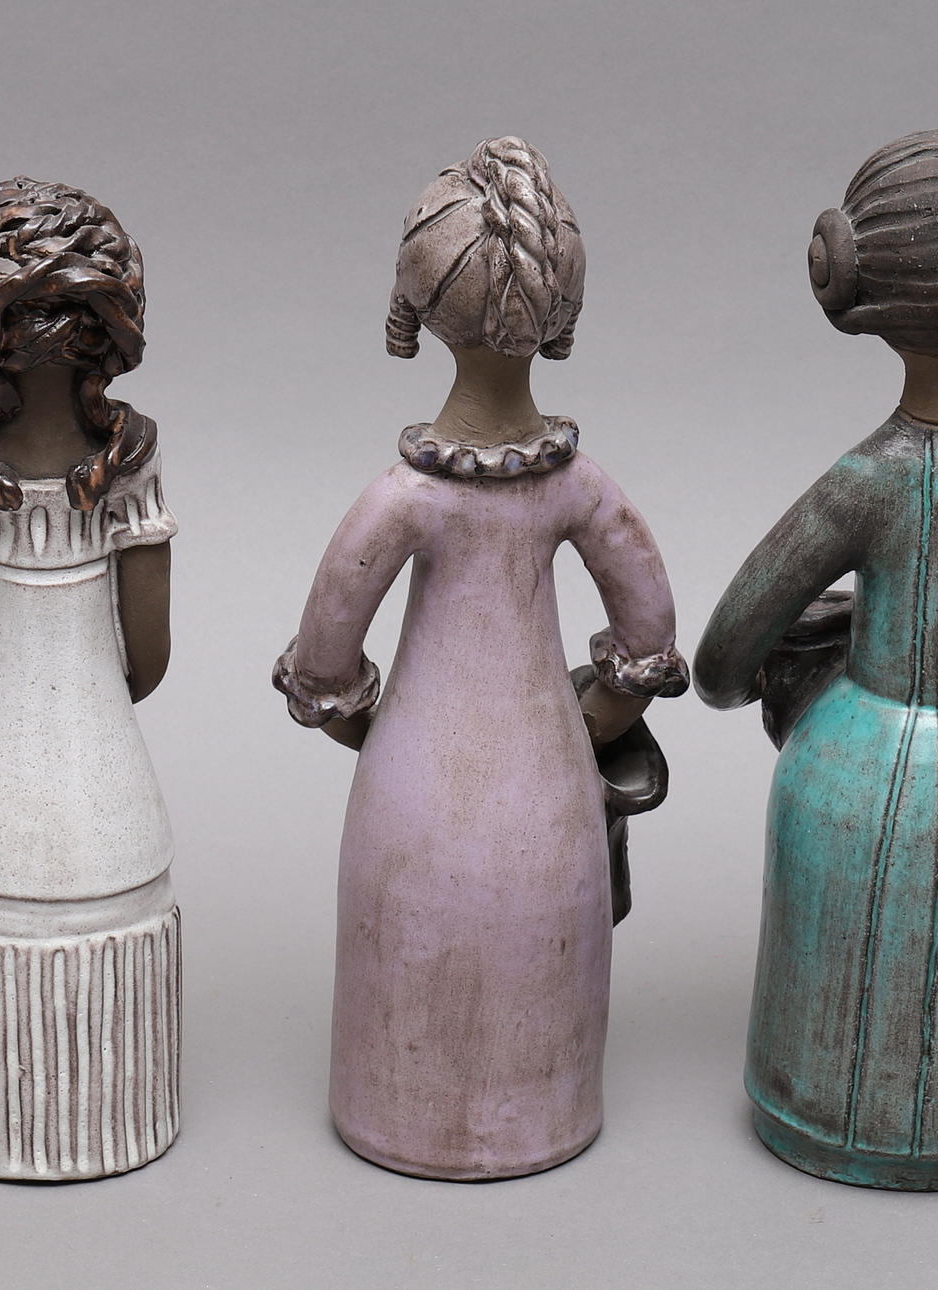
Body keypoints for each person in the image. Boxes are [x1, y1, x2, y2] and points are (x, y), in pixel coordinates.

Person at [274, 137, 688, 1179]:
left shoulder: (403, 499)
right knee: (535, 936)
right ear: (563, 313)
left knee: (415, 937)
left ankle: (400, 1112)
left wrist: (379, 735)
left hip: (411, 786)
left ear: (416, 306)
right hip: (545, 778)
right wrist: (586, 727)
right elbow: (649, 631)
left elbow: (322, 658)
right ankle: (539, 1112)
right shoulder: (579, 489)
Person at [695, 130, 938, 1189]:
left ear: (851, 278)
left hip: (857, 766)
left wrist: (803, 686)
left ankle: (820, 1109)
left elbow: (725, 656)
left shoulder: (866, 482)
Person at [0, 177, 179, 1179]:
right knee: (118, 901)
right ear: (111, 333)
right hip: (108, 774)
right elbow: (149, 658)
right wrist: (95, 694)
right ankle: (114, 1122)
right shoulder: (131, 466)